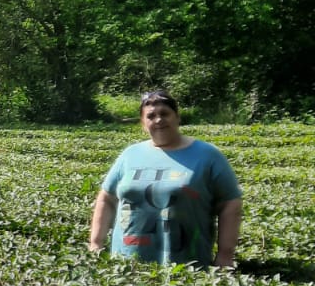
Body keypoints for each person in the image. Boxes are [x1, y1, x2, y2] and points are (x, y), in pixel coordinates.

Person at [89, 90, 243, 268]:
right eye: (151, 116)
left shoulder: (207, 155)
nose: (158, 120)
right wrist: (96, 243)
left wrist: (225, 255)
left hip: (186, 264)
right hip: (126, 261)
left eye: (164, 114)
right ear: (143, 123)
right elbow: (107, 198)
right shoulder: (130, 154)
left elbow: (231, 204)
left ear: (177, 117)